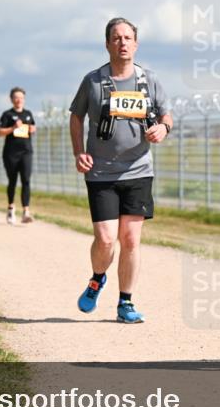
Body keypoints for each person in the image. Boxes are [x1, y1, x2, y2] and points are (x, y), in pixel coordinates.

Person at [69, 17, 172, 324]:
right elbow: (76, 118)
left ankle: (125, 302)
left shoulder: (148, 80)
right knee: (105, 239)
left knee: (130, 240)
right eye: (116, 38)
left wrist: (163, 129)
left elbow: (166, 115)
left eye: (128, 38)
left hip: (138, 170)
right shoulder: (93, 81)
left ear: (136, 44)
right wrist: (79, 152)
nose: (123, 43)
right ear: (107, 44)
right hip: (101, 172)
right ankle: (97, 278)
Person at [0, 87, 36, 224]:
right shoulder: (7, 114)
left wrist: (32, 129)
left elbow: (33, 127)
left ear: (24, 99)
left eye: (21, 97)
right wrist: (13, 128)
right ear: (12, 99)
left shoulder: (28, 114)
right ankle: (11, 208)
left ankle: (26, 211)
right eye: (16, 97)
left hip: (26, 151)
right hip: (11, 153)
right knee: (12, 181)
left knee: (26, 180)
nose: (19, 100)